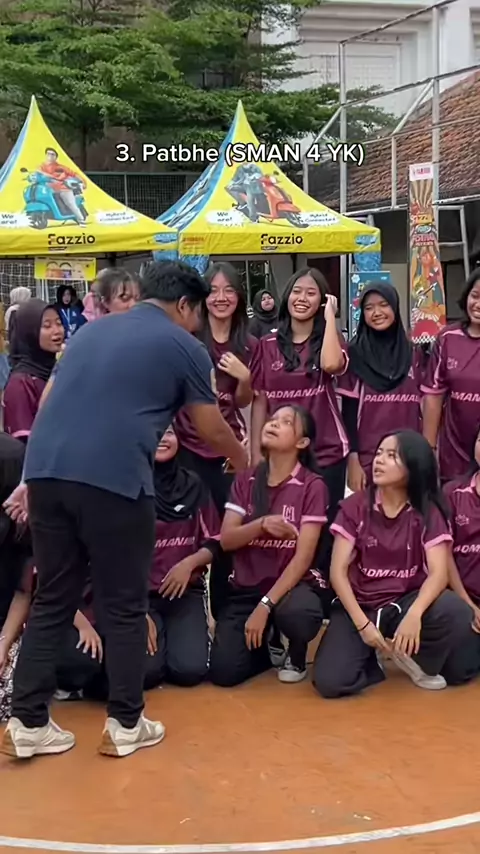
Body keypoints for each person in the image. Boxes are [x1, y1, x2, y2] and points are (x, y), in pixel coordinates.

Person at [1, 260, 247, 761]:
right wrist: (244, 460)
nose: (197, 323)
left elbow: (47, 403)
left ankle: (26, 722)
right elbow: (210, 425)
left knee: (53, 598)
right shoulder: (184, 345)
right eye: (197, 313)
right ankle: (126, 722)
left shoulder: (90, 333)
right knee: (125, 604)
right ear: (185, 305)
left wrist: (31, 478)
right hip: (114, 480)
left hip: (46, 474)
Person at [313, 431, 473, 698]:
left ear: (413, 466)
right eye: (378, 453)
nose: (379, 460)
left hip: (403, 601)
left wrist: (414, 615)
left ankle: (415, 658)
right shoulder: (354, 507)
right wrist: (363, 626)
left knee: (455, 611)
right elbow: (337, 572)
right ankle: (371, 658)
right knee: (331, 683)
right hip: (361, 604)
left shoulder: (428, 511)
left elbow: (438, 574)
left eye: (391, 455)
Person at [210, 405, 329, 687]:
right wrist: (261, 524)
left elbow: (303, 558)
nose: (273, 424)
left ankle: (296, 652)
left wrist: (265, 605)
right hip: (246, 588)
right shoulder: (246, 479)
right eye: (272, 419)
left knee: (299, 614)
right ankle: (267, 645)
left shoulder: (313, 485)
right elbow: (226, 540)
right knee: (224, 673)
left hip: (291, 587)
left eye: (286, 422)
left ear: (302, 442)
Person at [250, 268, 348, 576]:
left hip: (326, 451)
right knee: (284, 526)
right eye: (296, 291)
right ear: (286, 296)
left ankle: (321, 590)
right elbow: (260, 399)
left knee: (322, 528)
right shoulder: (266, 344)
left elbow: (331, 364)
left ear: (322, 301)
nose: (302, 298)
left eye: (311, 293)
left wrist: (330, 318)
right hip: (280, 454)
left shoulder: (330, 339)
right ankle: (283, 590)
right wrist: (256, 452)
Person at [175, 262, 257, 615]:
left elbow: (244, 401)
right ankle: (184, 608)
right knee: (184, 528)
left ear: (239, 297)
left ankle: (223, 612)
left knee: (227, 531)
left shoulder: (249, 344)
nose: (221, 298)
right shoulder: (189, 339)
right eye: (214, 291)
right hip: (186, 446)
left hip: (227, 452)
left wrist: (245, 378)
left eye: (229, 290)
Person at [145, 426, 220, 689]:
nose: (162, 439)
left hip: (185, 594)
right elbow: (112, 555)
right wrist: (134, 610)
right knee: (146, 674)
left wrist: (189, 564)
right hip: (140, 598)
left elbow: (214, 541)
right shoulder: (128, 486)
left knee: (190, 671)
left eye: (168, 433)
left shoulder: (193, 485)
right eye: (155, 432)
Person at [338, 283, 424, 490]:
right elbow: (349, 412)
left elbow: (428, 404)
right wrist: (353, 459)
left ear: (395, 307)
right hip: (370, 459)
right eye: (369, 308)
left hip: (410, 455)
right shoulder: (354, 354)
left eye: (383, 305)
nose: (376, 313)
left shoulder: (415, 353)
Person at [422, 269, 480, 481]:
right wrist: (429, 449)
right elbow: (433, 396)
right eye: (475, 296)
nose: (478, 304)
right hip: (453, 454)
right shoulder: (448, 338)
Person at [442, 426, 480, 684]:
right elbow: (443, 555)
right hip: (464, 598)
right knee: (456, 671)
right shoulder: (452, 493)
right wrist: (468, 604)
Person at [0, 436, 34, 721]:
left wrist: (3, 643)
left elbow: (23, 592)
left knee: (9, 699)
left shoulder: (21, 525)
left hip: (7, 621)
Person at [3, 299, 64, 440]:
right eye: (47, 326)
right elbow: (23, 442)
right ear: (29, 332)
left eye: (59, 323)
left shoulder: (58, 369)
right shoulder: (21, 383)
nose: (57, 331)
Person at [39, 147, 86, 225]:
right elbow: (37, 172)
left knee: (70, 203)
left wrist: (83, 182)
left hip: (63, 189)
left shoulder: (61, 167)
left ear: (56, 157)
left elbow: (74, 174)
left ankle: (81, 220)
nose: (50, 156)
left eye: (52, 154)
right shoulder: (42, 166)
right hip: (49, 190)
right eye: (48, 154)